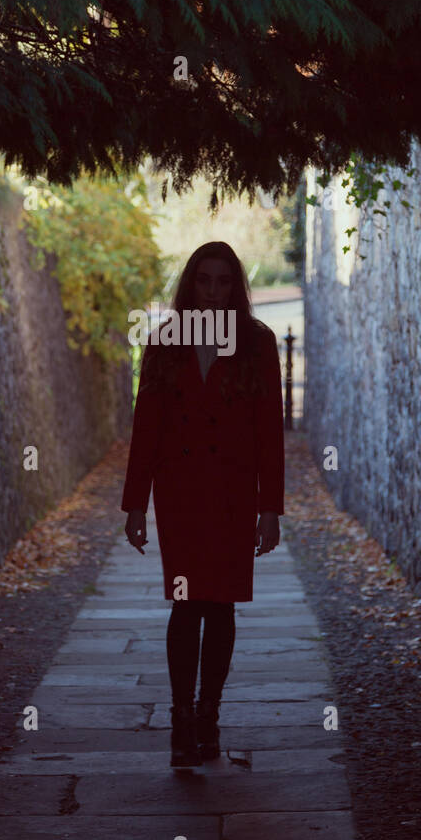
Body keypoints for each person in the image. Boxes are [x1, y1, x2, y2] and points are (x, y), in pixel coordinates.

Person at [121, 241, 285, 767]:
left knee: (222, 604)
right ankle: (181, 720)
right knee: (187, 602)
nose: (213, 291)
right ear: (190, 284)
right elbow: (145, 427)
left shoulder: (258, 344)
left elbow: (270, 434)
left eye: (223, 282)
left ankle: (208, 715)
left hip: (234, 493)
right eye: (204, 280)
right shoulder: (164, 342)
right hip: (182, 493)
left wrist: (270, 508)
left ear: (236, 287)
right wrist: (135, 504)